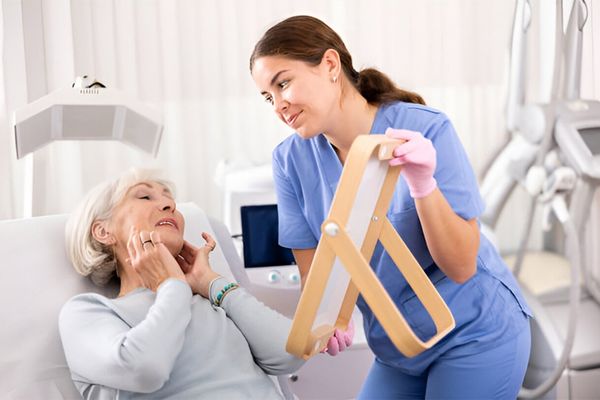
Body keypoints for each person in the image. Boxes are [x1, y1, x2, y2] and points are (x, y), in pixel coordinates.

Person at [250, 15, 531, 399]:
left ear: (330, 65)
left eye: (283, 83)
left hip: (474, 330)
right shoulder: (290, 161)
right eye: (268, 97)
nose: (278, 106)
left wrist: (423, 185)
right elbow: (316, 277)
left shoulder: (424, 129)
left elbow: (462, 266)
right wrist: (330, 319)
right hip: (399, 346)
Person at [59, 169, 304, 399]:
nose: (170, 205)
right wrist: (172, 285)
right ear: (103, 231)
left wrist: (211, 283)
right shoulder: (86, 312)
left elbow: (291, 353)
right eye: (144, 196)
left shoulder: (210, 300)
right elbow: (145, 370)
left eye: (169, 199)